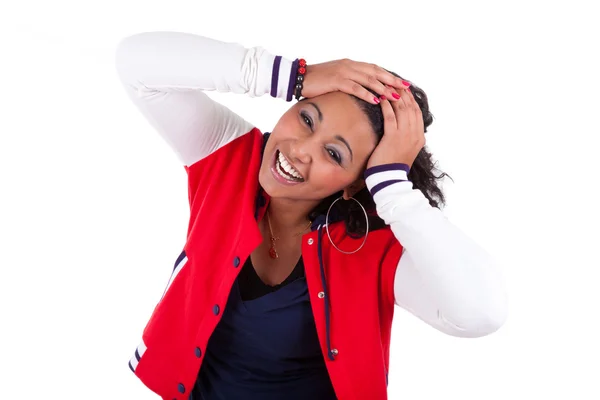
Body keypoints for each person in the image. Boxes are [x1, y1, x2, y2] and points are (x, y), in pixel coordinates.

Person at [115, 31, 507, 400]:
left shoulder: (372, 249)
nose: (300, 150)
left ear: (358, 181)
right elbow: (136, 63)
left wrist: (393, 188)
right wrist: (296, 75)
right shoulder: (231, 156)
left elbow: (481, 314)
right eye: (306, 118)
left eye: (334, 154)